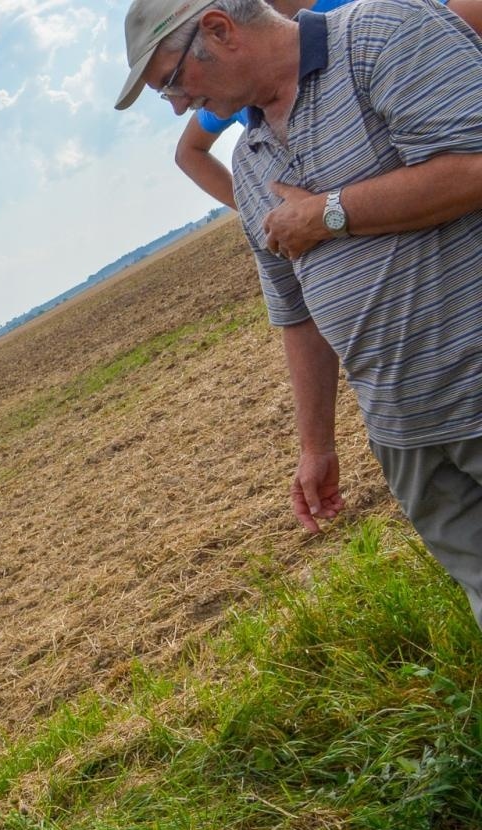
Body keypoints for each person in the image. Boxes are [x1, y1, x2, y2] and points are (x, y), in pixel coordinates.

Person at [115, 0, 482, 627]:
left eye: (172, 82)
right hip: (406, 433)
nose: (177, 105)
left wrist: (327, 213)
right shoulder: (252, 160)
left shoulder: (382, 35)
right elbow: (297, 313)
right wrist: (316, 445)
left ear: (220, 30)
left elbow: (473, 165)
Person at [172, 0, 482, 209]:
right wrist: (263, 214)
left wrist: (321, 213)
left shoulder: (372, 19)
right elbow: (189, 152)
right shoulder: (232, 80)